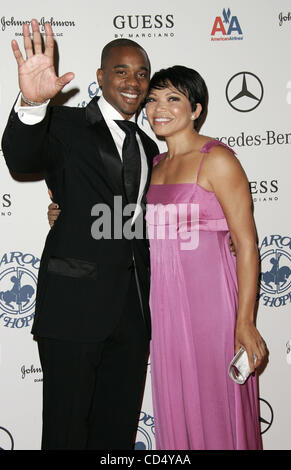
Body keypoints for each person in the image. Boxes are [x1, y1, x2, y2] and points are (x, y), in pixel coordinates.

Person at [1, 19, 159, 449]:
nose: (134, 81)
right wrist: (32, 106)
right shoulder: (65, 125)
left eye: (142, 73)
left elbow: (140, 222)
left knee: (117, 434)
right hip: (73, 310)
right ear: (101, 77)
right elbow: (21, 157)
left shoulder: (149, 147)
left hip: (133, 316)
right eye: (122, 70)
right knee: (66, 433)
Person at [144, 65, 266, 450]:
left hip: (211, 306)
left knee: (216, 405)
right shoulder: (154, 165)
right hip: (165, 308)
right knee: (177, 401)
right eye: (152, 99)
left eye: (172, 99)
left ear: (195, 109)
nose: (159, 108)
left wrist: (245, 322)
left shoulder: (217, 160)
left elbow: (246, 244)